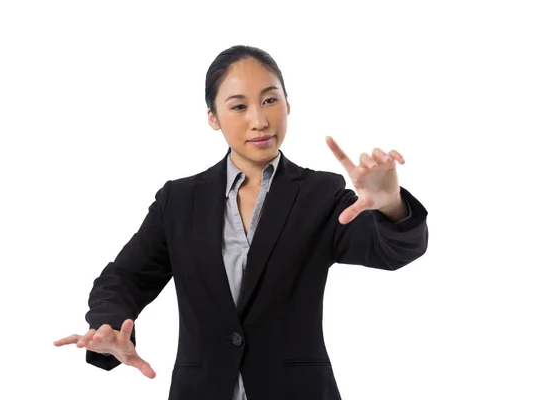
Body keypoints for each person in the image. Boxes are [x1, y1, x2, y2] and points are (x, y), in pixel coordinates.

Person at [54, 44, 429, 400]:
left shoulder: (321, 194)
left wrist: (390, 204)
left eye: (270, 100)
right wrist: (109, 325)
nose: (260, 119)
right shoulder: (180, 201)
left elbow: (392, 250)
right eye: (239, 106)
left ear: (288, 104)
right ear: (213, 118)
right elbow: (125, 278)